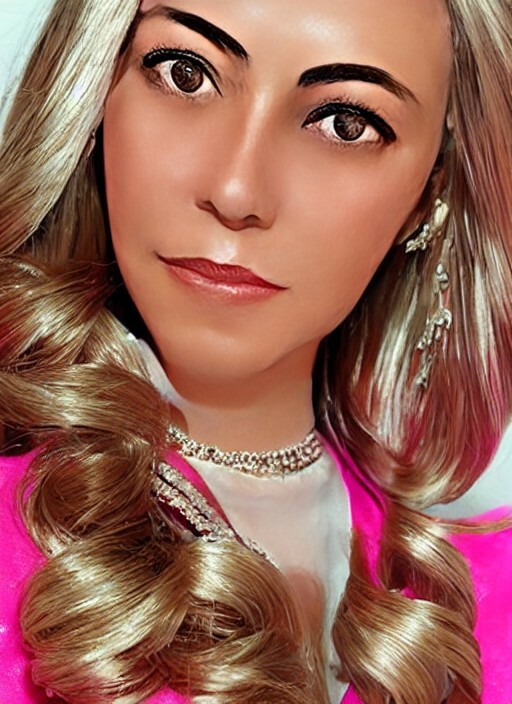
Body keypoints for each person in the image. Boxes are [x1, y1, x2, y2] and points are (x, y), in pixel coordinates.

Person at [0, 0, 511, 702]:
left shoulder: (485, 604)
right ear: (95, 93)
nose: (237, 190)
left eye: (346, 123)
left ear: (432, 193)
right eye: (185, 73)